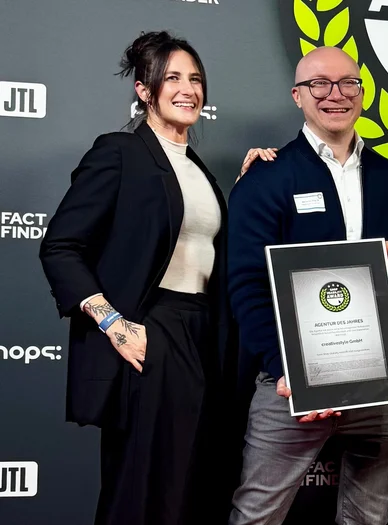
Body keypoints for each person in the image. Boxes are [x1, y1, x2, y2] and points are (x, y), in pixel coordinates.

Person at [38, 30, 238, 525]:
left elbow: (197, 241)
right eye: (172, 77)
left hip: (201, 334)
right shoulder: (119, 153)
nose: (188, 88)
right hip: (152, 330)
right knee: (142, 493)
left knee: (192, 490)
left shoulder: (199, 170)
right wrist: (114, 323)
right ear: (144, 91)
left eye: (195, 78)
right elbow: (61, 247)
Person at [226, 46, 388, 525]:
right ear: (297, 96)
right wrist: (285, 368)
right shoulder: (267, 178)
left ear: (363, 93)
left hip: (376, 377)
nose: (335, 95)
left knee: (368, 517)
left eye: (348, 83)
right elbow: (246, 284)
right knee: (257, 514)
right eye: (319, 84)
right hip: (291, 380)